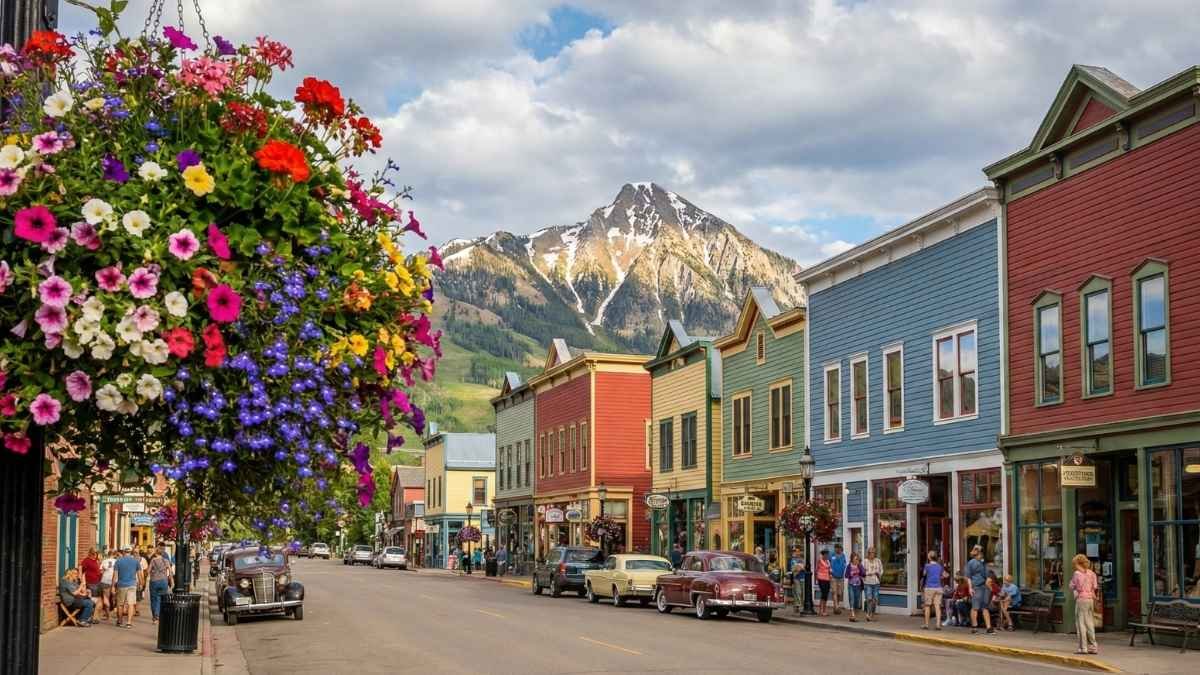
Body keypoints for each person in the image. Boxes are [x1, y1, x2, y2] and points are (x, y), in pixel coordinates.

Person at [1070, 554, 1099, 655]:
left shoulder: (1077, 574)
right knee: (1090, 623)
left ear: (1078, 564)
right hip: (1090, 599)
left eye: (1075, 564)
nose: (1074, 566)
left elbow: (1073, 586)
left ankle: (1083, 648)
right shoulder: (1092, 573)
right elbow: (1095, 587)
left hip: (1081, 600)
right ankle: (1093, 647)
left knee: (1080, 624)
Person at [966, 545, 994, 635]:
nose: (973, 550)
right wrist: (970, 588)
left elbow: (988, 575)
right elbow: (968, 577)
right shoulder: (972, 563)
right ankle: (976, 627)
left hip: (982, 587)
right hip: (977, 587)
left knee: (982, 607)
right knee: (976, 607)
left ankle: (986, 628)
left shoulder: (982, 563)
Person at [114, 548, 141, 628]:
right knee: (131, 604)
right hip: (132, 584)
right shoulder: (136, 561)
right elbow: (139, 574)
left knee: (120, 604)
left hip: (121, 585)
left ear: (123, 552)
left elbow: (115, 575)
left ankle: (120, 621)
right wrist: (141, 583)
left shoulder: (118, 561)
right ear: (131, 552)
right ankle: (129, 623)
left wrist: (112, 586)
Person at [148, 545, 173, 624]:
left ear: (156, 553)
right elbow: (170, 572)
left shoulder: (153, 560)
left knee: (153, 599)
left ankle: (155, 617)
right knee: (161, 599)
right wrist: (171, 581)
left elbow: (148, 571)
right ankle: (158, 615)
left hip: (154, 581)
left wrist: (149, 574)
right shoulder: (166, 560)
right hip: (163, 581)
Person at [921, 550, 945, 630]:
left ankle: (926, 624)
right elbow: (945, 575)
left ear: (930, 557)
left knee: (927, 606)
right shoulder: (939, 566)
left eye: (928, 555)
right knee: (937, 606)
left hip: (929, 587)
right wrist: (940, 577)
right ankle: (938, 624)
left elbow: (924, 574)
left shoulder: (927, 566)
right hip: (938, 587)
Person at [863, 547, 883, 622]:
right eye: (870, 552)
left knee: (875, 599)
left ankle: (872, 614)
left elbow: (881, 570)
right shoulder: (865, 561)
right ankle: (868, 614)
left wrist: (879, 574)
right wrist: (870, 573)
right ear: (868, 553)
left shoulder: (878, 561)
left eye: (873, 553)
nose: (872, 554)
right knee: (869, 599)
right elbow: (863, 572)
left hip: (876, 582)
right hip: (868, 582)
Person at [846, 551, 865, 622]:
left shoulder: (859, 565)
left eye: (857, 559)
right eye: (855, 559)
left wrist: (860, 569)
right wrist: (851, 574)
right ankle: (853, 614)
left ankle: (854, 614)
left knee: (857, 602)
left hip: (858, 585)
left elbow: (864, 574)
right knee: (852, 599)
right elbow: (846, 575)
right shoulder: (849, 566)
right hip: (851, 585)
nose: (856, 560)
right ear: (852, 559)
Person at [99, 549, 117, 621]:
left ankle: (108, 615)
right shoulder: (117, 561)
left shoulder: (104, 561)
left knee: (106, 598)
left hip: (105, 581)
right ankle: (115, 613)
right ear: (114, 555)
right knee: (114, 598)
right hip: (115, 581)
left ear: (108, 554)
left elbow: (101, 571)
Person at [829, 544, 847, 615]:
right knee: (834, 592)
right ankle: (836, 607)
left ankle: (836, 606)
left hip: (841, 577)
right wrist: (830, 573)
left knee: (840, 593)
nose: (837, 549)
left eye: (838, 548)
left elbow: (844, 564)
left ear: (840, 549)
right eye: (835, 548)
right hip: (833, 577)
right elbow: (829, 564)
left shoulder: (843, 556)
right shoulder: (832, 555)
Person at [815, 549, 832, 617]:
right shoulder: (820, 560)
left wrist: (830, 574)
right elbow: (818, 569)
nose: (827, 556)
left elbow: (829, 569)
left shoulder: (828, 561)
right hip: (821, 579)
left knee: (826, 594)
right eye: (825, 554)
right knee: (823, 593)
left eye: (827, 554)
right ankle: (820, 610)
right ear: (823, 555)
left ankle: (824, 610)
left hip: (827, 579)